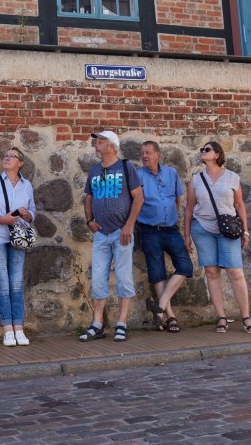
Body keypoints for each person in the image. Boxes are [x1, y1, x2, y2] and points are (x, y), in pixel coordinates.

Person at [77, 131, 145, 343]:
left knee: (124, 278)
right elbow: (89, 198)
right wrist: (89, 221)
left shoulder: (126, 167)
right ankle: (97, 324)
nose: (96, 145)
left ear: (112, 146)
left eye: (100, 142)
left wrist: (129, 226)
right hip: (101, 234)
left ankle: (122, 323)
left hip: (121, 233)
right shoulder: (95, 170)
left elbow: (139, 198)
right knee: (98, 279)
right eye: (96, 142)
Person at [183, 141, 251, 334]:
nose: (202, 152)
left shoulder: (232, 177)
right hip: (202, 229)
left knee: (235, 272)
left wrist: (245, 230)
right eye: (201, 150)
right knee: (212, 273)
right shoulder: (196, 179)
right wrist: (187, 235)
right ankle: (221, 317)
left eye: (206, 150)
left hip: (228, 229)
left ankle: (246, 317)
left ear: (217, 154)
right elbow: (189, 209)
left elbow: (239, 205)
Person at [0, 147, 36, 346]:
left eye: (12, 156)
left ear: (21, 163)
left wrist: (27, 215)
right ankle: (8, 330)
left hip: (17, 238)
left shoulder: (26, 185)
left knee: (17, 284)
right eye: (6, 156)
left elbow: (32, 212)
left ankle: (19, 328)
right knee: (2, 284)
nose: (7, 158)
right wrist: (3, 220)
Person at [136, 140, 191, 333]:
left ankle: (158, 307)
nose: (144, 156)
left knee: (185, 266)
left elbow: (177, 199)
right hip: (149, 230)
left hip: (171, 229)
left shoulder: (171, 173)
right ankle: (170, 317)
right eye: (142, 153)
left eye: (148, 152)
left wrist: (169, 216)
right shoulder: (138, 176)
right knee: (157, 272)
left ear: (158, 154)